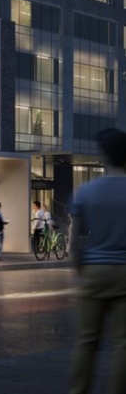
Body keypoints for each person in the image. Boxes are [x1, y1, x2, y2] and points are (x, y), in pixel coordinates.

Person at [68, 128, 126, 394]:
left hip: (94, 269)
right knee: (122, 343)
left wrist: (81, 270)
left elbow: (74, 240)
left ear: (104, 155)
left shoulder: (86, 191)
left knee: (86, 341)